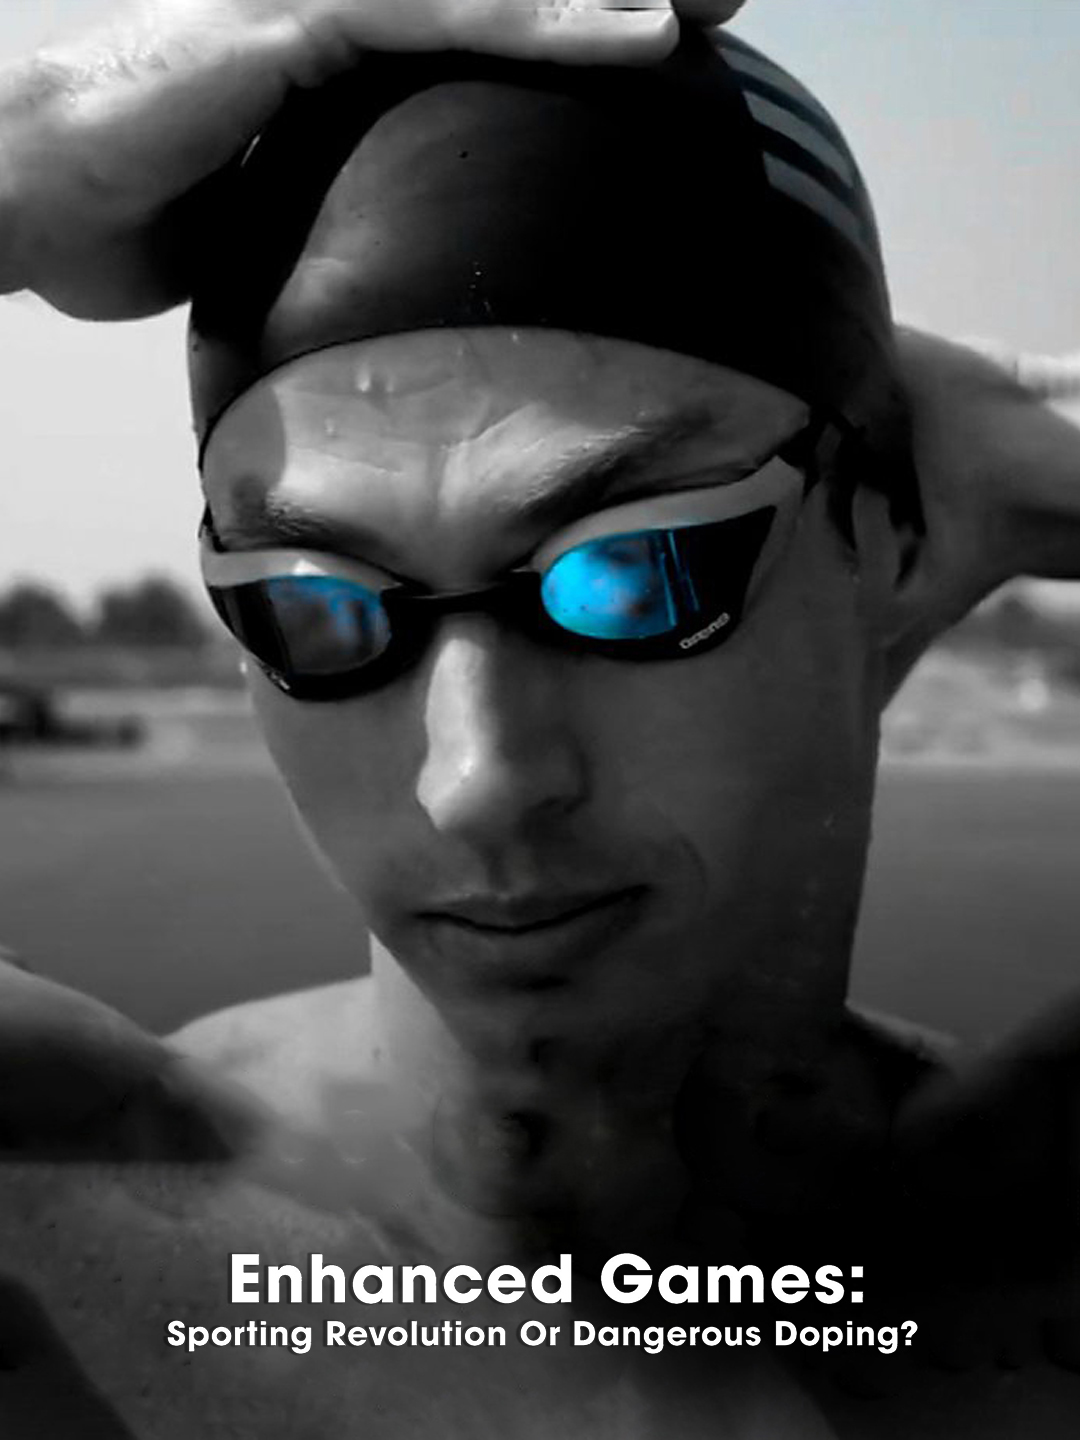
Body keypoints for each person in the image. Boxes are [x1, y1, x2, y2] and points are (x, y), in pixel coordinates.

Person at [2, 2, 1080, 1436]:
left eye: (642, 571)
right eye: (315, 608)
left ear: (888, 536)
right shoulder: (59, 1210)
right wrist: (29, 147)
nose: (479, 781)